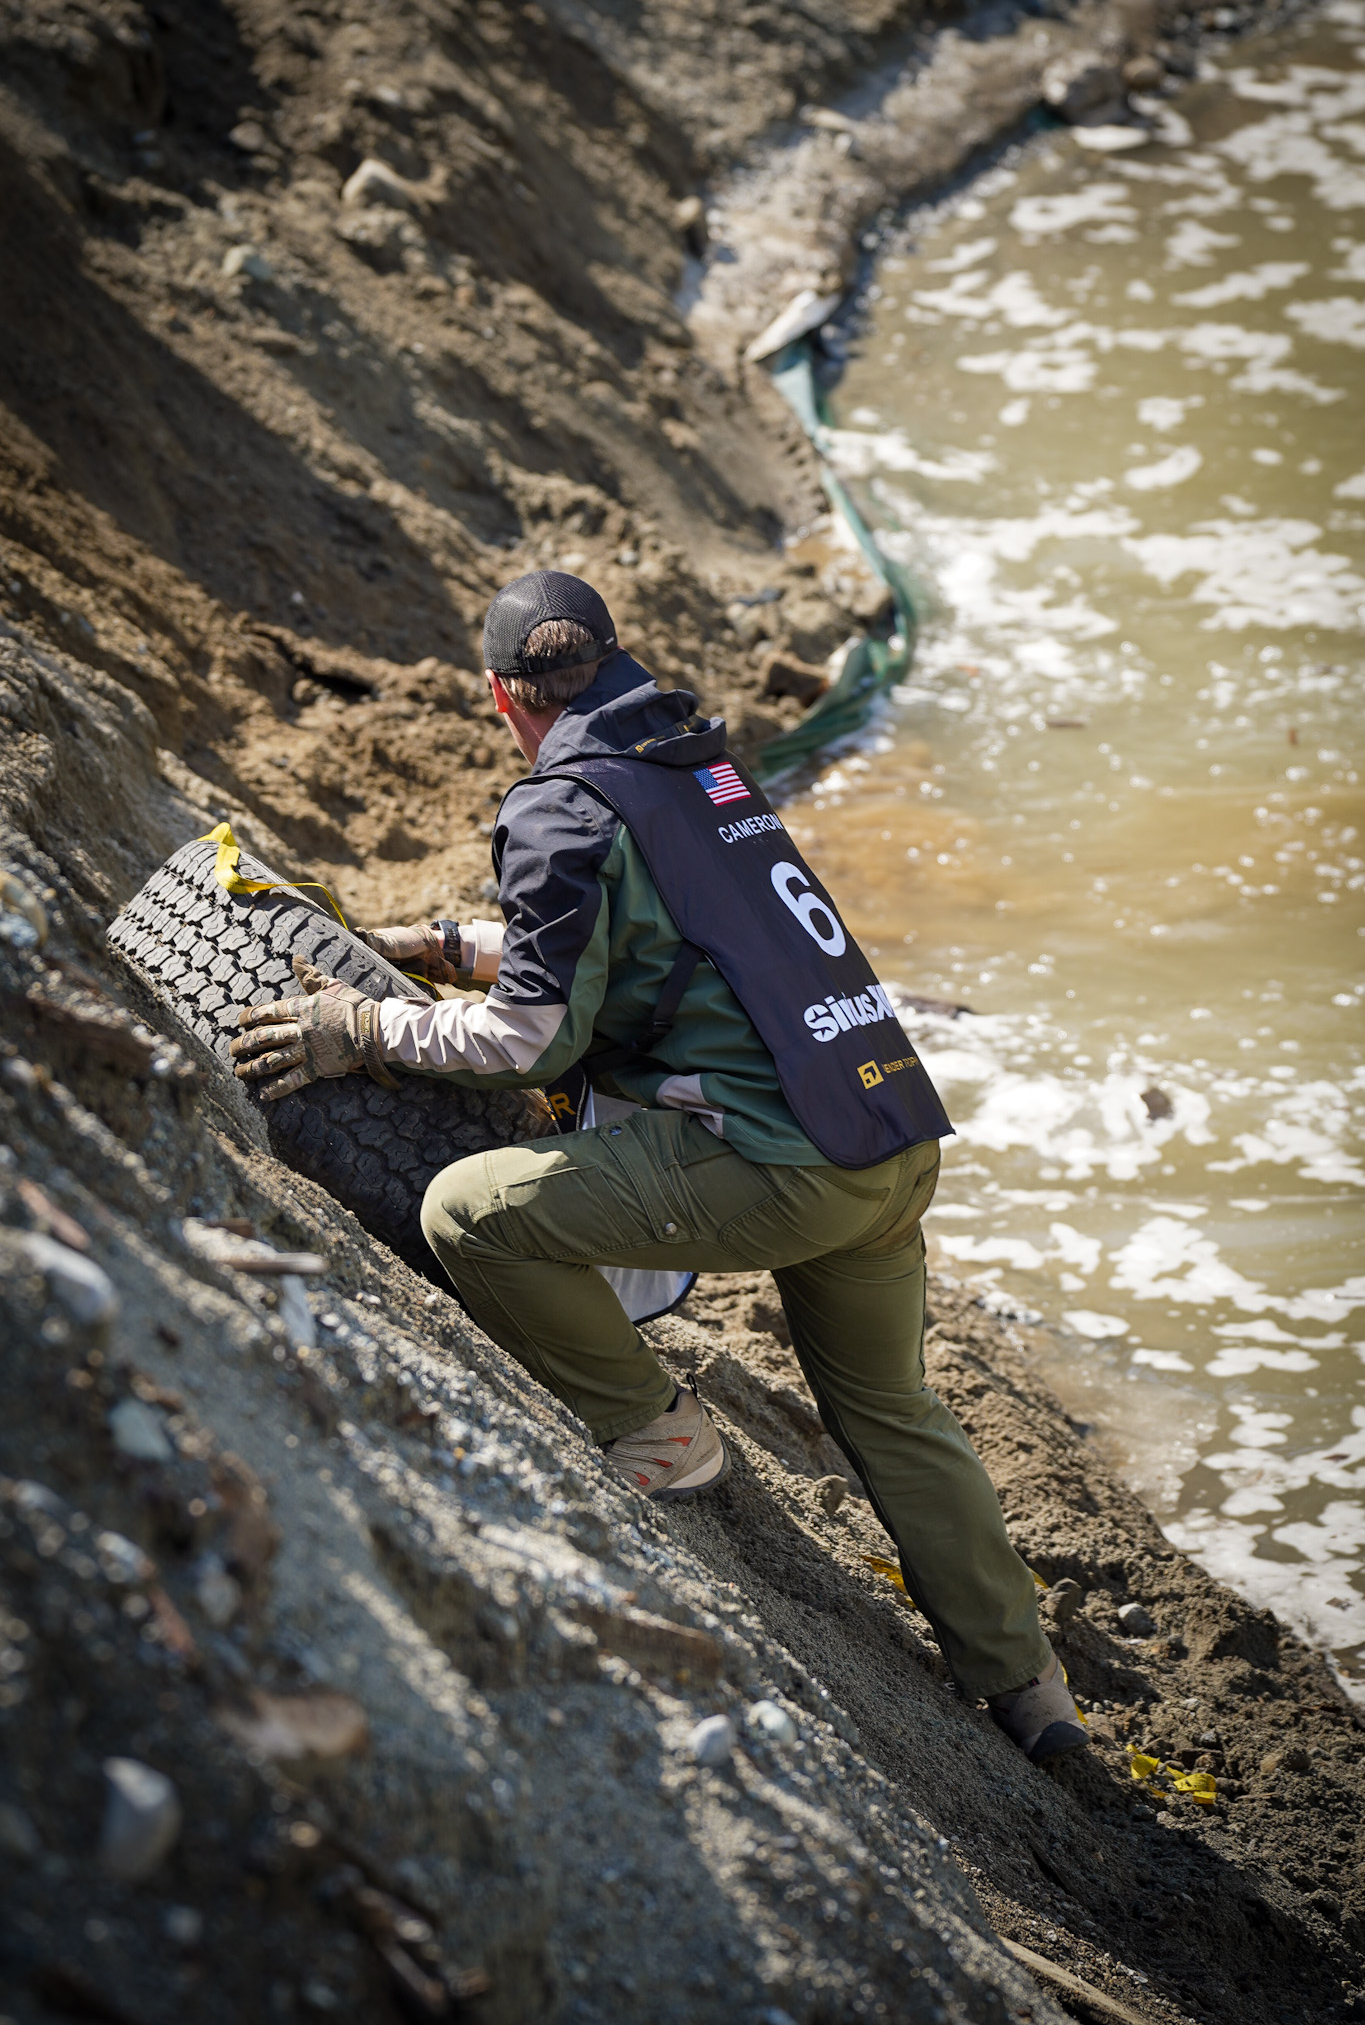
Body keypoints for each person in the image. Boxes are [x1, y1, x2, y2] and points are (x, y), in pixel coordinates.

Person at [231, 570, 1087, 1761]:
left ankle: (658, 1428)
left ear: (498, 698)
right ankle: (1032, 1689)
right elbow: (637, 948)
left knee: (467, 1211)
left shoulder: (558, 807)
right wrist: (439, 944)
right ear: (617, 662)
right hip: (890, 1134)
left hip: (782, 1166)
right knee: (891, 1406)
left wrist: (360, 1026)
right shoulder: (697, 765)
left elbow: (531, 1039)